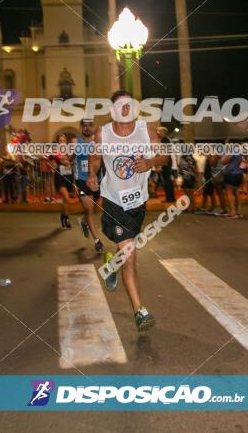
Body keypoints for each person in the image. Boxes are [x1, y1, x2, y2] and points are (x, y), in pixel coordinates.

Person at [87, 90, 169, 331]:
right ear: (113, 109)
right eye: (120, 106)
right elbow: (95, 157)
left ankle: (111, 263)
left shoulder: (147, 131)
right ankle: (139, 310)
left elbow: (164, 156)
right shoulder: (104, 133)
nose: (125, 109)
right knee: (131, 254)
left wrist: (151, 162)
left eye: (129, 105)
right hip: (113, 200)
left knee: (127, 251)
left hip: (138, 201)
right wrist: (92, 174)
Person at [74, 119, 104, 253]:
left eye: (90, 125)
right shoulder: (75, 142)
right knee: (89, 208)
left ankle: (85, 223)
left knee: (94, 208)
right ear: (81, 128)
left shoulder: (98, 142)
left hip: (98, 180)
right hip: (82, 180)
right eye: (84, 126)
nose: (87, 128)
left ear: (93, 127)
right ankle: (97, 241)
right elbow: (67, 156)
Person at [51, 134, 74, 228]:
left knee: (65, 200)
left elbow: (71, 161)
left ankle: (63, 216)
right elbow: (64, 161)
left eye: (64, 140)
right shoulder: (56, 151)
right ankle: (67, 218)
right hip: (59, 177)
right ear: (57, 142)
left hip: (69, 176)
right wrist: (67, 160)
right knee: (66, 197)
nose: (62, 142)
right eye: (60, 140)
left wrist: (68, 160)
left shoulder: (69, 151)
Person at [221, 143, 244, 218]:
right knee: (236, 193)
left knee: (229, 193)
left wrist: (223, 156)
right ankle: (238, 212)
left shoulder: (231, 151)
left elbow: (224, 161)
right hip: (239, 173)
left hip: (231, 174)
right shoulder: (240, 152)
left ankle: (233, 212)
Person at [156, 127, 176, 202]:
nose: (159, 133)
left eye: (160, 132)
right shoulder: (165, 140)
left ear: (164, 132)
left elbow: (166, 153)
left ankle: (169, 198)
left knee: (167, 181)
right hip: (166, 162)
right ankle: (171, 197)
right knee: (168, 181)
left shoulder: (165, 140)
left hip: (167, 162)